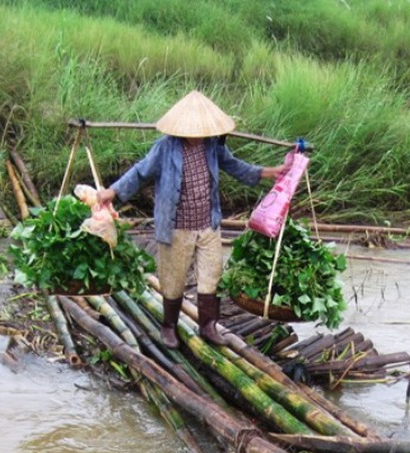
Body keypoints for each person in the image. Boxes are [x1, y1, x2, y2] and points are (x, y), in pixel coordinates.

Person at [97, 90, 287, 349]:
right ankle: (169, 326)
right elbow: (140, 172)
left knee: (212, 275)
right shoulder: (165, 147)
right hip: (176, 226)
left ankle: (208, 325)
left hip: (208, 223)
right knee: (173, 280)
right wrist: (113, 191)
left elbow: (234, 165)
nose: (198, 136)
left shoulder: (212, 146)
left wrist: (267, 173)